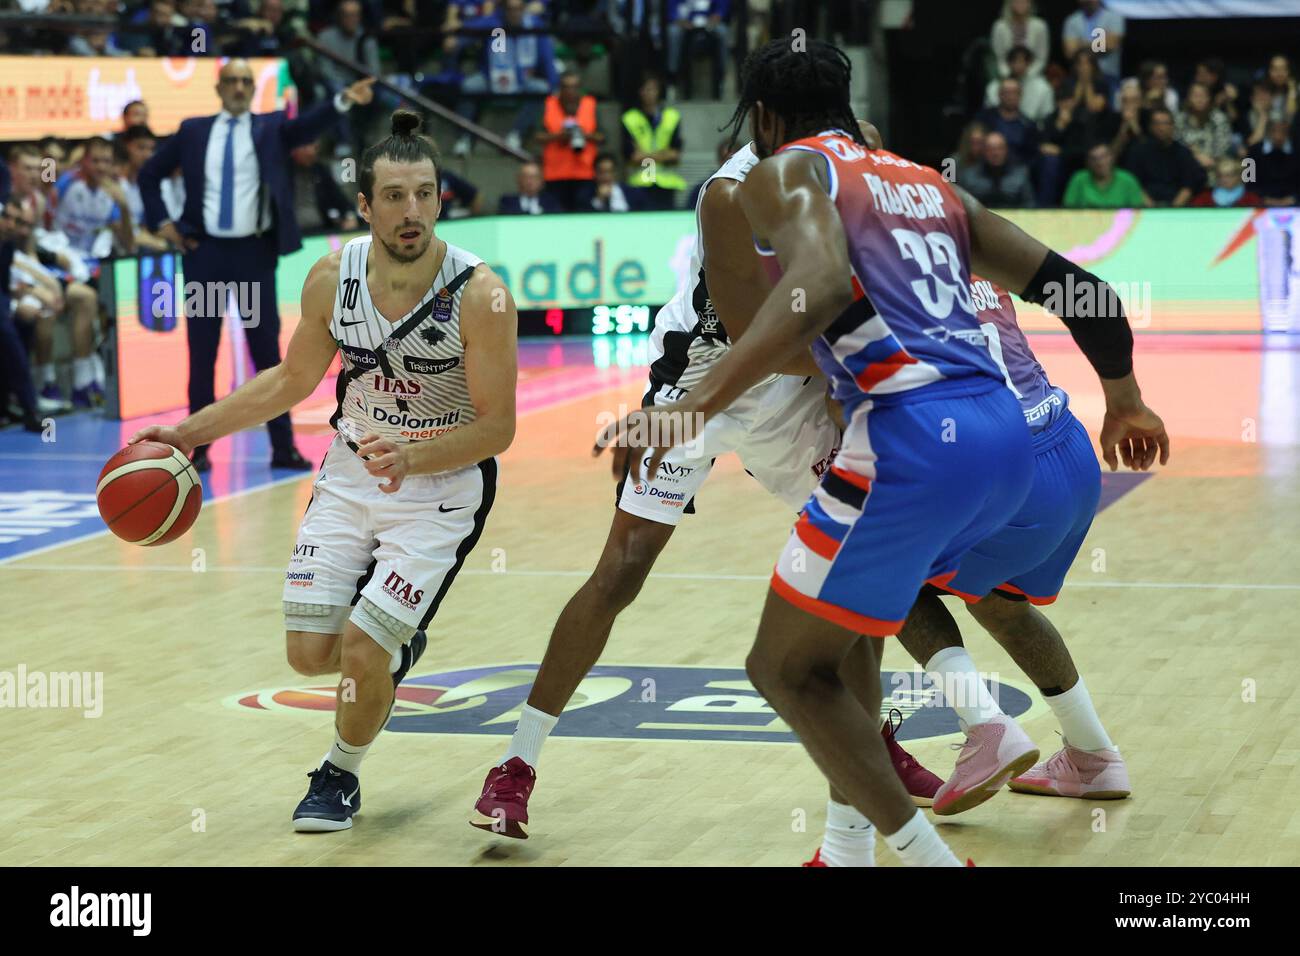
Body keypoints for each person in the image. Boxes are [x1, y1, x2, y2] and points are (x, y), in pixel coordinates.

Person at [599, 39, 1166, 866]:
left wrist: (686, 407)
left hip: (909, 441)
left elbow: (817, 289)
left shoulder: (780, 171)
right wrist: (1124, 397)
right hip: (1006, 439)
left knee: (785, 668)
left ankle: (931, 854)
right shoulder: (928, 184)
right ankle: (847, 848)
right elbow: (1086, 292)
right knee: (855, 633)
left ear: (762, 117)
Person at [128, 110, 518, 832]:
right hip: (348, 476)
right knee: (310, 656)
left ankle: (338, 773)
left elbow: (498, 428)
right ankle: (393, 651)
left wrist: (414, 455)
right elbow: (287, 381)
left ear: (440, 199)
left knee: (365, 653)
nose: (412, 212)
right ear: (363, 205)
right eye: (395, 197)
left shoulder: (481, 293)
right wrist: (187, 434)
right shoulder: (330, 278)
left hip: (439, 489)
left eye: (425, 194)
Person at [138, 58, 375, 473]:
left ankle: (282, 448)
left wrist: (341, 101)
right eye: (231, 81)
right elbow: (150, 172)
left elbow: (305, 128)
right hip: (205, 252)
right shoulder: (194, 130)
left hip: (252, 254)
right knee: (202, 353)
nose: (238, 87)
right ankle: (197, 449)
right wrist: (163, 224)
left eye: (246, 81)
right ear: (219, 87)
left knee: (268, 354)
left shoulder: (268, 128)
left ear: (252, 88)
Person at [536, 71, 604, 211]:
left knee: (583, 215)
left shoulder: (590, 104)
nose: (570, 91)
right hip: (555, 174)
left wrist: (583, 135)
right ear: (560, 88)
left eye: (574, 87)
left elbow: (602, 136)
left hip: (584, 173)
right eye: (566, 87)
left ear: (580, 88)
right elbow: (537, 136)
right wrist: (559, 136)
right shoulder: (548, 104)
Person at [621, 74, 685, 211]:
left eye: (652, 89)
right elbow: (631, 156)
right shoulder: (630, 118)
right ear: (640, 92)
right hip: (640, 182)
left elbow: (675, 154)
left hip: (666, 183)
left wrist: (645, 155)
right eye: (645, 89)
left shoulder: (672, 116)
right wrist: (663, 154)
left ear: (659, 91)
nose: (649, 93)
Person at [1123, 107, 1206, 207]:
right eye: (1157, 123)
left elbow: (1189, 186)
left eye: (1165, 123)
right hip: (1146, 208)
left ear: (1173, 126)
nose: (1161, 128)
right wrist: (1152, 209)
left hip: (1176, 208)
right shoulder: (1138, 152)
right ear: (1150, 127)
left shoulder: (1183, 153)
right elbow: (1134, 184)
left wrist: (1173, 209)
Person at [1063, 142, 1148, 208]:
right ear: (1087, 162)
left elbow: (1138, 212)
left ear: (1112, 157)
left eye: (1104, 157)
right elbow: (1067, 211)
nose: (1100, 163)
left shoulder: (1128, 180)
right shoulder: (1078, 179)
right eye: (1094, 158)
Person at [989, 0, 1048, 79]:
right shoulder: (999, 27)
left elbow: (1041, 59)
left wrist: (1027, 75)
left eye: (1024, 1)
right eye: (1017, 1)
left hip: (1032, 76)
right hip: (1005, 76)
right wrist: (1009, 75)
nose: (1021, 4)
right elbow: (998, 58)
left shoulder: (1040, 26)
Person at [576, 153, 646, 211]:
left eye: (610, 171)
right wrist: (599, 199)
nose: (606, 176)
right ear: (595, 173)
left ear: (616, 172)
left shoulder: (631, 192)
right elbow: (584, 218)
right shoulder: (585, 194)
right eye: (602, 172)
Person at [1191, 157, 1261, 208]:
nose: (1224, 179)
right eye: (1220, 176)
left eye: (1229, 176)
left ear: (1239, 176)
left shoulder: (1251, 199)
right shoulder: (1204, 198)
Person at [498, 161, 563, 214]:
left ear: (541, 180)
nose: (530, 181)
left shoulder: (551, 202)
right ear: (519, 179)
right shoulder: (507, 201)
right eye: (526, 177)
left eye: (534, 177)